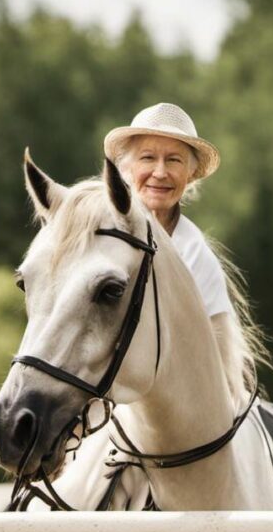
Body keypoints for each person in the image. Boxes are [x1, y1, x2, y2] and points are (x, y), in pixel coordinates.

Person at [104, 103, 246, 402]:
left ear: (190, 174)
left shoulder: (196, 256)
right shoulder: (100, 238)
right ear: (126, 168)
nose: (160, 172)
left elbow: (218, 368)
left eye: (174, 160)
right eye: (147, 158)